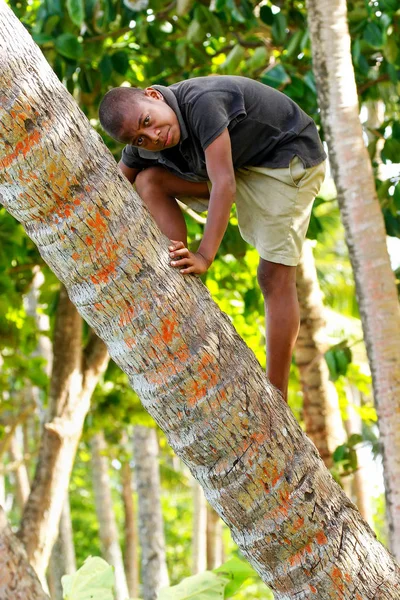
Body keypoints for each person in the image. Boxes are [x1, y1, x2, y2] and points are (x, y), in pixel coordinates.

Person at [98, 75, 326, 401]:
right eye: (140, 139)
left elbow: (225, 184)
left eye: (147, 122)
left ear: (153, 96)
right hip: (240, 164)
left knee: (273, 275)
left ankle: (277, 396)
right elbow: (114, 188)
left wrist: (205, 255)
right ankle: (175, 270)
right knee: (149, 181)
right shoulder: (143, 144)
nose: (153, 136)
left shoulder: (202, 101)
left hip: (286, 159)